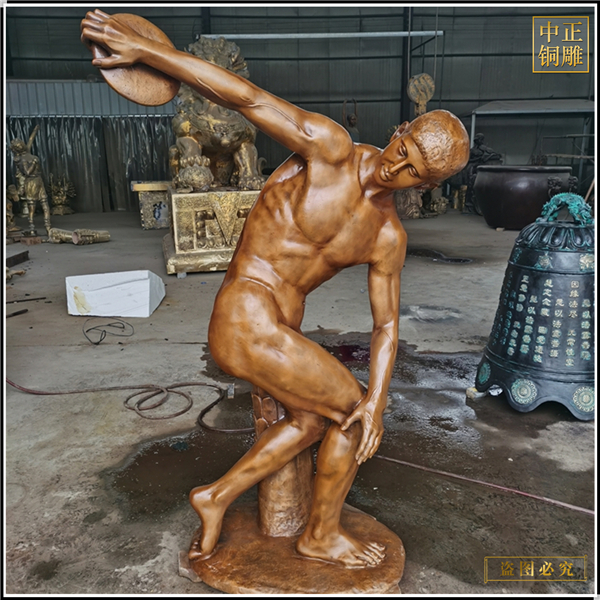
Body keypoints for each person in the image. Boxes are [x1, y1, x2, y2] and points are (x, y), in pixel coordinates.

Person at [81, 9, 470, 569]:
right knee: (346, 411)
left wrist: (380, 402)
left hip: (280, 329)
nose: (397, 170)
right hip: (245, 313)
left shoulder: (387, 236)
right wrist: (149, 54)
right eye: (402, 152)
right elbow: (245, 98)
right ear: (399, 131)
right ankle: (320, 536)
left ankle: (215, 497)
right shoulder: (330, 149)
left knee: (315, 419)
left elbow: (386, 325)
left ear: (427, 185)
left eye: (415, 174)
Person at [9, 125, 52, 235]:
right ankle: (32, 228)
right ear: (17, 148)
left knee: (45, 205)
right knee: (32, 207)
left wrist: (35, 130)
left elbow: (31, 140)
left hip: (38, 180)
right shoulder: (20, 159)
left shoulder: (26, 152)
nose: (21, 145)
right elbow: (27, 172)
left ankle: (48, 227)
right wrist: (34, 162)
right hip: (31, 182)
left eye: (21, 143)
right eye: (19, 144)